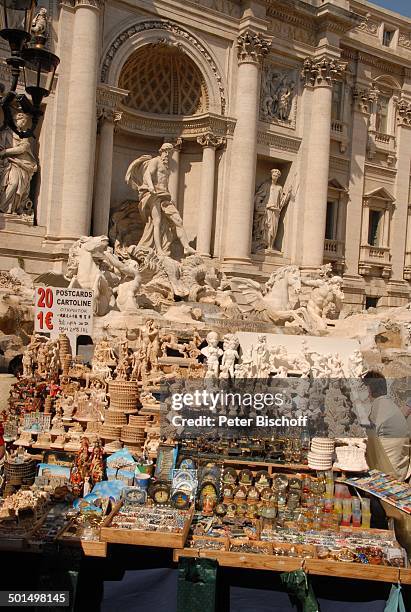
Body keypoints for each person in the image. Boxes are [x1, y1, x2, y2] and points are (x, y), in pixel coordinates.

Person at [125, 143, 195, 257]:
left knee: (178, 220)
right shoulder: (155, 161)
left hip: (165, 196)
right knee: (156, 222)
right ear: (161, 151)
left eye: (170, 152)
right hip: (154, 195)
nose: (167, 155)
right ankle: (159, 250)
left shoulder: (167, 167)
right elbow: (148, 174)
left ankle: (186, 247)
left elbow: (165, 183)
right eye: (165, 152)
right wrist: (151, 187)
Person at [363, 371, 411, 481]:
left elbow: (367, 438)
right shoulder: (389, 404)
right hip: (400, 469)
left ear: (369, 389)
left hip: (387, 472)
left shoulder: (379, 407)